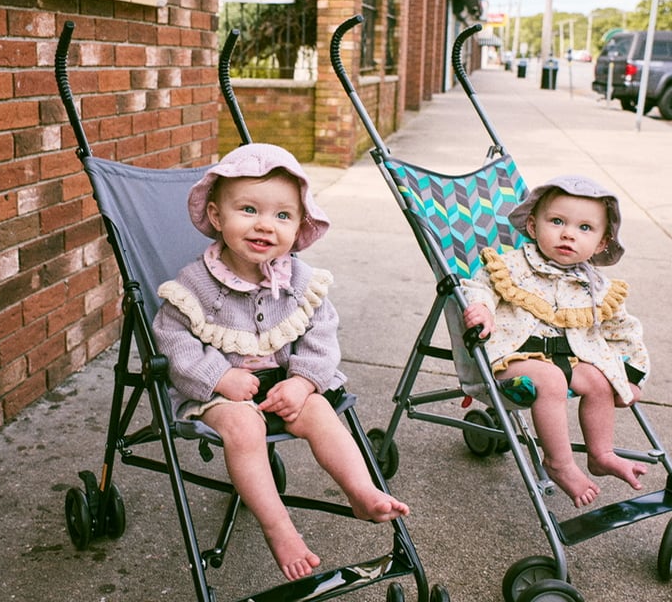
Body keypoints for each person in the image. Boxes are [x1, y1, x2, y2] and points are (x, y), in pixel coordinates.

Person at [153, 143, 408, 581]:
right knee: (244, 426)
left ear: (299, 225)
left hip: (288, 384)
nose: (265, 226)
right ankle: (279, 527)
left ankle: (361, 490)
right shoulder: (194, 284)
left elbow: (322, 335)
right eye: (249, 210)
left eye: (282, 216)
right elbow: (173, 341)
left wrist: (305, 382)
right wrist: (219, 376)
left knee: (323, 412)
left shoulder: (301, 282)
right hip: (222, 394)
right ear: (217, 217)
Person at [462, 175, 650, 509]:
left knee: (598, 380)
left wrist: (631, 375)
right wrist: (483, 309)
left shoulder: (596, 287)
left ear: (602, 243)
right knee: (548, 380)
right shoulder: (511, 266)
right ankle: (559, 462)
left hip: (571, 358)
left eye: (585, 228)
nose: (568, 234)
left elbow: (624, 331)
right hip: (515, 356)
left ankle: (601, 453)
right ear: (533, 227)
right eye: (557, 221)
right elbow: (480, 286)